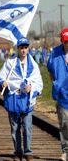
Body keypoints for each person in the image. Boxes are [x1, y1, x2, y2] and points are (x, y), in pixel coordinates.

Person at [0, 37, 43, 161]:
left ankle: (28, 152)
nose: (23, 50)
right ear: (18, 48)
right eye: (21, 48)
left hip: (26, 100)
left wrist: (31, 87)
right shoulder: (9, 63)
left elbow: (39, 82)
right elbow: (0, 77)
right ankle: (18, 152)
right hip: (13, 99)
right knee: (15, 127)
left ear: (28, 48)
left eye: (25, 47)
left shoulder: (33, 64)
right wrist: (3, 83)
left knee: (27, 127)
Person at [47, 28, 68, 161]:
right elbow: (49, 69)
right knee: (65, 125)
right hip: (62, 96)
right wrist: (54, 83)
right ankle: (66, 151)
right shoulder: (55, 53)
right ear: (62, 41)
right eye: (66, 42)